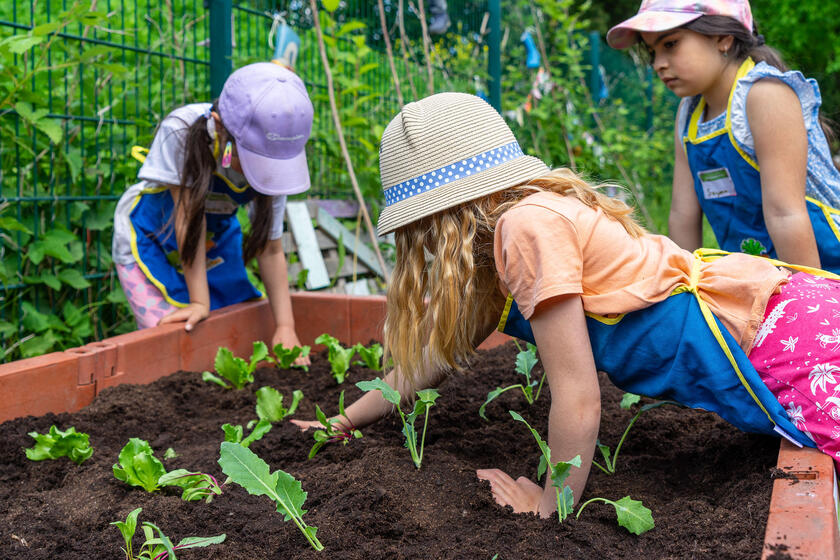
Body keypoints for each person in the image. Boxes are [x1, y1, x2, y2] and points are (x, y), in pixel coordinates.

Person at [293, 92, 840, 519]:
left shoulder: (526, 229)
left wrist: (551, 505)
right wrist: (343, 421)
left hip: (781, 344)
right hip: (780, 319)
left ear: (441, 217)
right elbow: (433, 358)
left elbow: (578, 394)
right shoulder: (516, 230)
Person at [607, 0, 840, 274]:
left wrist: (807, 297)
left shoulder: (766, 96)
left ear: (723, 38)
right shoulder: (689, 114)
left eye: (670, 44)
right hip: (762, 279)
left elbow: (785, 215)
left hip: (823, 273)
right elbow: (682, 216)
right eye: (652, 52)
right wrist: (682, 287)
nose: (658, 64)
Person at [112, 62, 312, 360]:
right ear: (219, 127)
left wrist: (285, 326)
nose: (266, 171)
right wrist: (199, 302)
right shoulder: (180, 129)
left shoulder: (277, 160)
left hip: (213, 239)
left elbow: (270, 249)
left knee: (229, 328)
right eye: (255, 159)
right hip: (152, 236)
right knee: (173, 338)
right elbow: (187, 219)